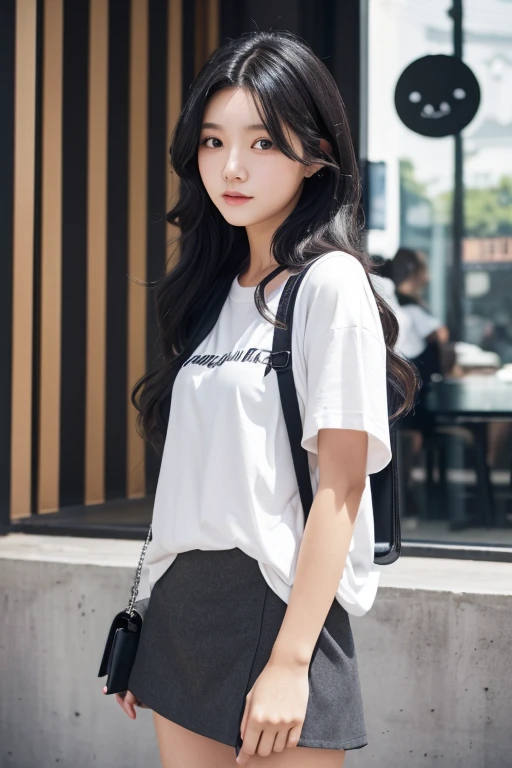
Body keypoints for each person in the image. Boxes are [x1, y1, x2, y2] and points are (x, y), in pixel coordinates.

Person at [102, 30, 416, 768]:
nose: (231, 167)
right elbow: (190, 479)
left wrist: (290, 661)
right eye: (212, 141)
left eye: (263, 143)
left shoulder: (331, 286)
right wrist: (144, 611)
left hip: (281, 606)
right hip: (184, 607)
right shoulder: (211, 294)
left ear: (316, 156)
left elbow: (340, 483)